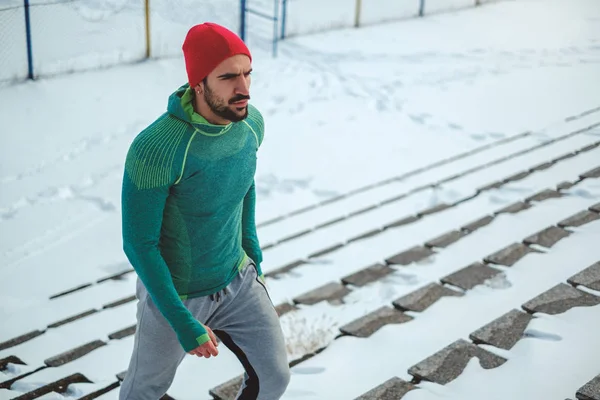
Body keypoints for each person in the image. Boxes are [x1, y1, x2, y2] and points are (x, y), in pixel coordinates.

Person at [118, 22, 290, 400]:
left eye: (247, 73)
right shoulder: (156, 148)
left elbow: (243, 183)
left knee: (274, 378)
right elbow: (139, 244)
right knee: (141, 393)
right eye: (228, 77)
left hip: (236, 278)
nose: (243, 88)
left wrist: (252, 250)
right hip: (176, 294)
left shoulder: (250, 125)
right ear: (198, 84)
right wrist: (181, 320)